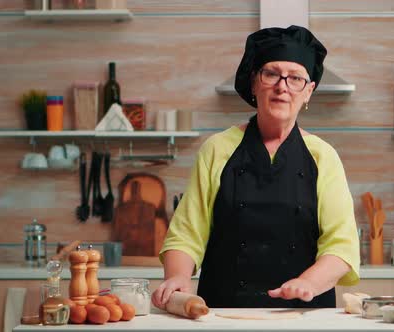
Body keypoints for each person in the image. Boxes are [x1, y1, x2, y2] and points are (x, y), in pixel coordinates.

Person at [152, 25, 359, 309]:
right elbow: (187, 233)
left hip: (305, 316)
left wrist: (309, 282)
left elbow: (342, 245)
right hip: (223, 313)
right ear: (254, 83)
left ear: (309, 91)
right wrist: (177, 276)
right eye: (271, 73)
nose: (282, 86)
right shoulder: (217, 149)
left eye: (295, 78)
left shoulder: (324, 157)